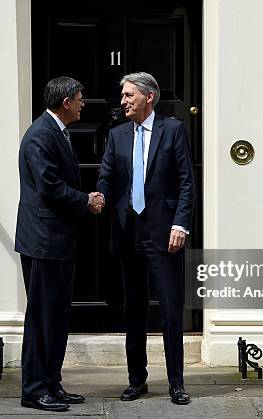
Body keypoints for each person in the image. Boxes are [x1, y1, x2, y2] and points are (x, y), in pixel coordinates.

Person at [97, 72, 194, 405]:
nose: (123, 101)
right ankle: (137, 380)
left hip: (165, 235)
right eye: (122, 96)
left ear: (148, 97)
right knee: (134, 310)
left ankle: (177, 383)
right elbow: (107, 176)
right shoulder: (118, 135)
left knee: (169, 311)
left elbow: (186, 182)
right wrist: (98, 197)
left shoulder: (173, 130)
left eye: (128, 95)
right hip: (129, 233)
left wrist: (180, 225)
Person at [15, 76, 104, 412]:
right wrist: (87, 201)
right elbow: (50, 187)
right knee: (42, 317)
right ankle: (34, 389)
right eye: (80, 99)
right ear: (66, 102)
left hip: (56, 240)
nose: (83, 104)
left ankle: (51, 382)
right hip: (43, 242)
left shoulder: (55, 132)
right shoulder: (40, 135)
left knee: (57, 316)